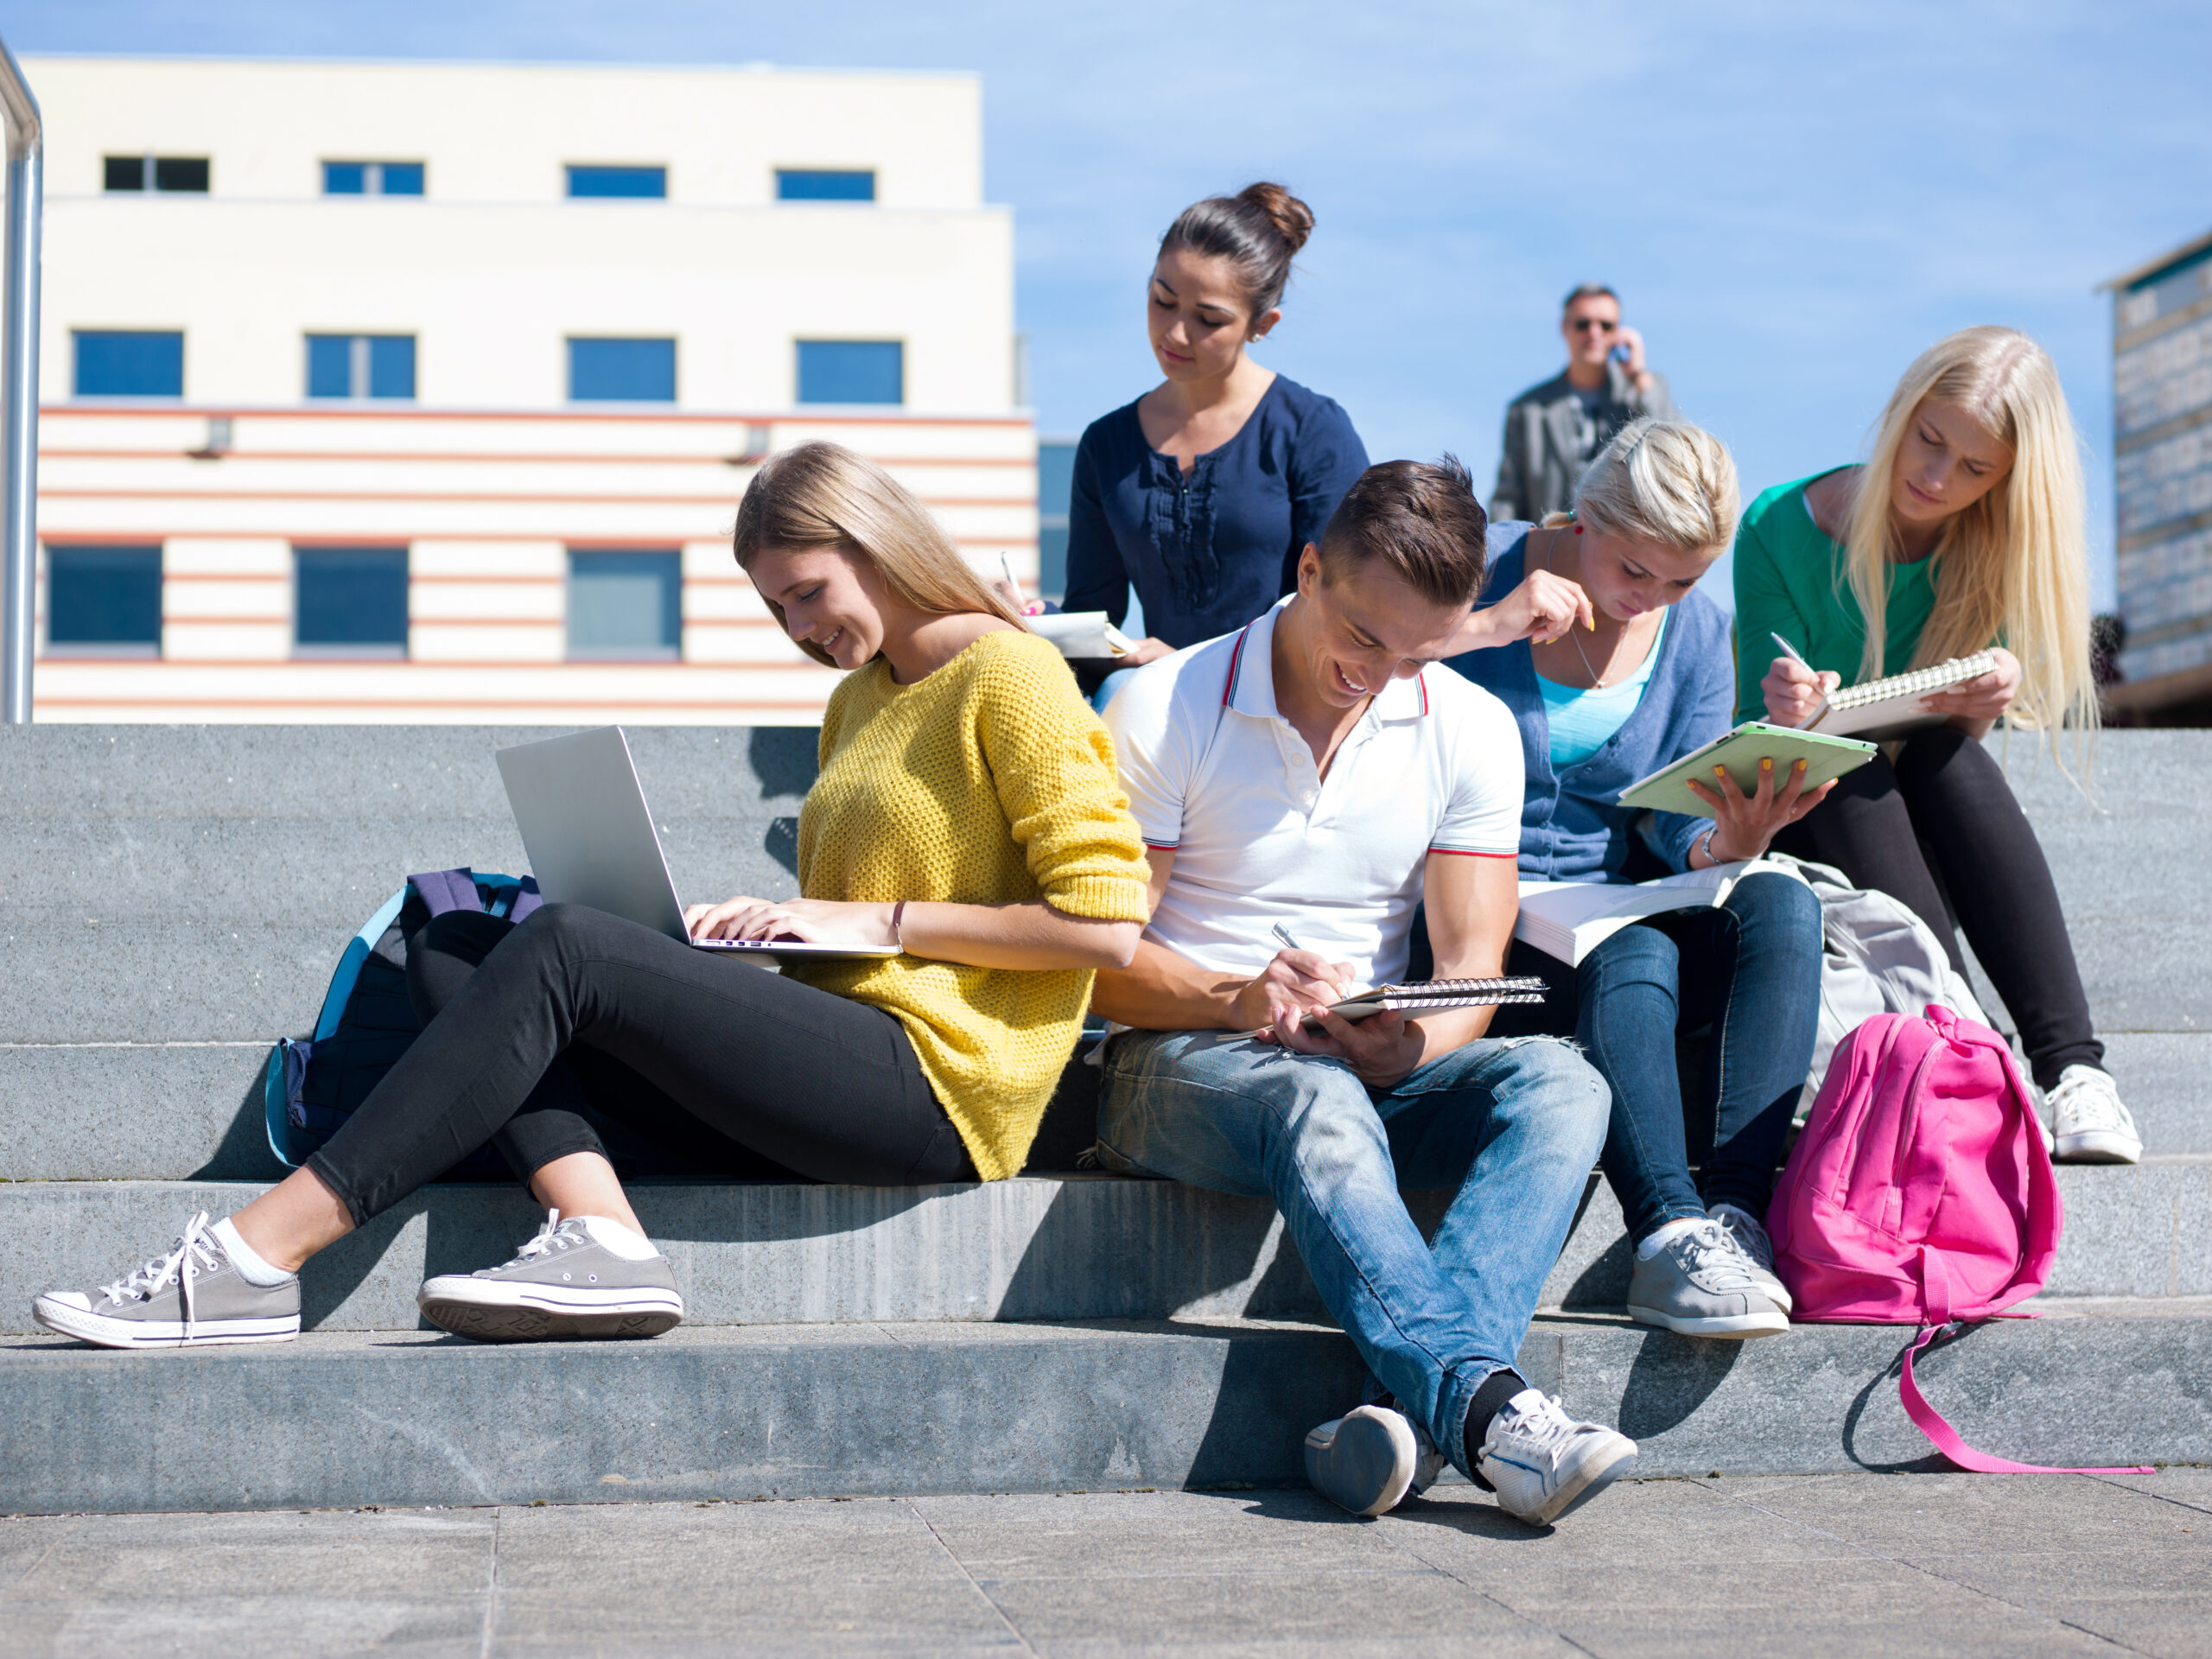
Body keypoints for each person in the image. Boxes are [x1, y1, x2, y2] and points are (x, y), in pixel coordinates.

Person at [35, 441, 1155, 1350]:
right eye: (778, 611)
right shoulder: (860, 702)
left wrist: (870, 921)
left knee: (564, 944)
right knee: (458, 939)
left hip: (942, 1086)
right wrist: (746, 939)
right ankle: (602, 1238)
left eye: (808, 593)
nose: (802, 630)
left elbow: (1106, 922)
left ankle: (251, 1260)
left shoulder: (1011, 674)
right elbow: (853, 924)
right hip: (840, 1041)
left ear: (877, 545)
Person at [1089, 456, 1636, 1529]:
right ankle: (1489, 1413)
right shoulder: (1162, 704)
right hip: (1177, 1062)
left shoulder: (1470, 727)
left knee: (1564, 1085)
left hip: (1354, 1065)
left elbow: (1469, 970)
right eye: (1361, 638)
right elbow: (1102, 965)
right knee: (1317, 1098)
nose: (1379, 675)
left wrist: (1413, 1049)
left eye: (1415, 652)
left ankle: (1406, 1418)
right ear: (1307, 568)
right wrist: (1245, 998)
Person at [1446, 418, 1829, 1340]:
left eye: (1682, 579)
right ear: (1583, 517)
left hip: (1602, 905)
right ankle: (1665, 1229)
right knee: (1638, 951)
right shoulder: (1478, 564)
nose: (1649, 599)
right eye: (1633, 571)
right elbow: (1361, 667)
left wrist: (1721, 839)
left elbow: (1669, 810)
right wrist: (1486, 627)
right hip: (1469, 911)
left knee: (1780, 897)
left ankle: (1734, 1216)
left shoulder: (1696, 632)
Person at [1735, 325, 2142, 1164]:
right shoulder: (1777, 524)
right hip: (1804, 810)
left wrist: (1979, 704)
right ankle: (1976, 1046)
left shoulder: (1990, 545)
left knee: (1944, 755)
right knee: (1842, 770)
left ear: (2005, 481)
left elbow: (1944, 753)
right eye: (1929, 440)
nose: (1934, 477)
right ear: (1902, 408)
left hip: (1909, 808)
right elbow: (1757, 747)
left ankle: (2072, 1069)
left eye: (1973, 469)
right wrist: (1789, 705)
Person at [1064, 181, 1369, 688]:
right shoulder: (1106, 445)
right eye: (1162, 301)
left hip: (1291, 708)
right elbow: (1093, 621)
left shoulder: (1313, 431)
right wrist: (1030, 619)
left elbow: (1345, 608)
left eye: (1208, 319)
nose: (1176, 333)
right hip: (1157, 710)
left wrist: (1191, 664)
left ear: (1262, 325)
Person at [1491, 283, 1677, 524]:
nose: (1594, 333)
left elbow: (1676, 453)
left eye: (1606, 325)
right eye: (1583, 324)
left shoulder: (1642, 394)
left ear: (1618, 333)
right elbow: (1507, 500)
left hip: (1621, 548)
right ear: (1565, 328)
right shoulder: (1528, 410)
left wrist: (1638, 376)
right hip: (1549, 551)